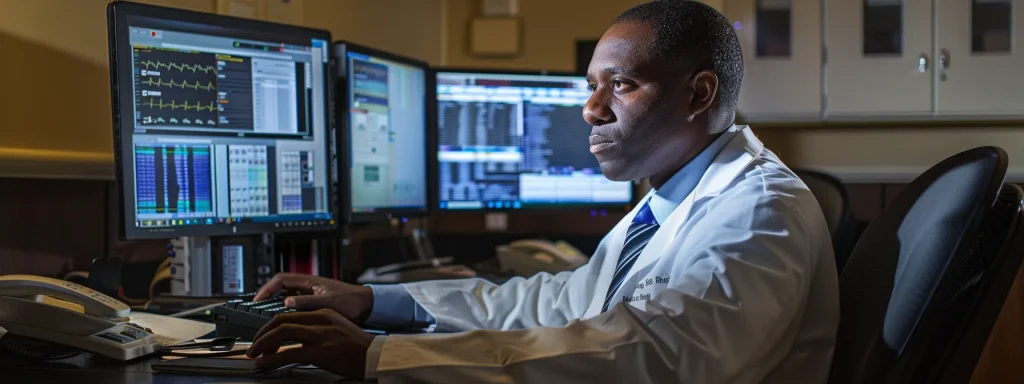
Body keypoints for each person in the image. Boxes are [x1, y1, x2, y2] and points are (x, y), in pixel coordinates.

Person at [245, 1, 840, 382]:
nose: (590, 109)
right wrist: (376, 304)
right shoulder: (671, 201)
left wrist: (381, 356)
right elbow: (557, 304)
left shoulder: (759, 211)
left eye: (622, 85)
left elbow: (653, 356)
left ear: (700, 93)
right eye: (590, 86)